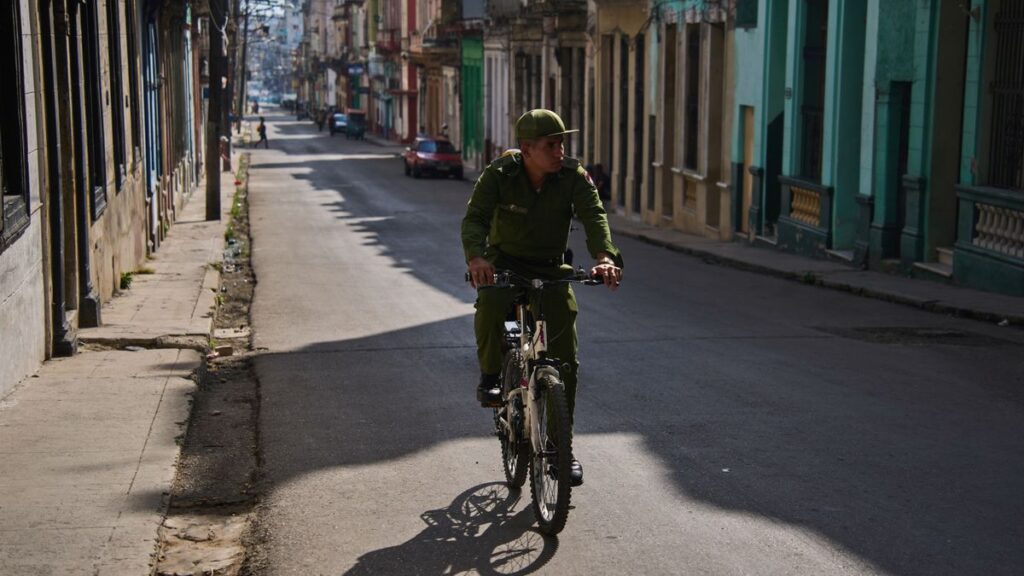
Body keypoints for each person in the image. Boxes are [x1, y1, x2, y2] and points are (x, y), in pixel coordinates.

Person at [461, 109, 623, 487]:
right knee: (490, 305)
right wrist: (477, 258)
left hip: (550, 267)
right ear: (527, 148)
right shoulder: (499, 175)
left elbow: (594, 215)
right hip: (505, 263)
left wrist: (604, 257)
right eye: (551, 145)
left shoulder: (572, 177)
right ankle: (491, 376)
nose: (559, 151)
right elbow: (475, 218)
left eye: (561, 143)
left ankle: (561, 449)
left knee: (565, 357)